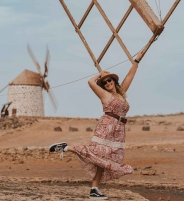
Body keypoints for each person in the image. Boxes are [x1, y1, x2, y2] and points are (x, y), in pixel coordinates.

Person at [49, 51, 144, 200]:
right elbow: (90, 82)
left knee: (104, 160)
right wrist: (100, 73)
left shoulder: (121, 93)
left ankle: (94, 189)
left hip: (118, 130)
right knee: (95, 153)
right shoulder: (104, 94)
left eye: (109, 80)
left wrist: (137, 59)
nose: (107, 83)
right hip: (107, 126)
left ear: (114, 81)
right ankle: (67, 148)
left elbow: (131, 75)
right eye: (105, 82)